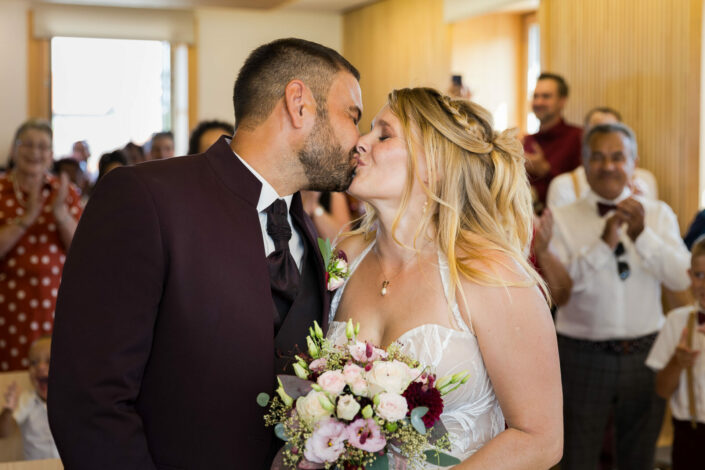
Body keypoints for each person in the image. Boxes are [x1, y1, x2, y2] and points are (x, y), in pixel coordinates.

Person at [48, 38, 362, 469]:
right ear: (299, 104)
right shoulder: (146, 198)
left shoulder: (304, 230)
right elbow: (90, 399)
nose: (359, 141)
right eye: (353, 116)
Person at [328, 88, 563, 468]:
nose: (361, 142)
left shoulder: (489, 276)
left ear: (434, 165)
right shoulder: (348, 254)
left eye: (384, 135)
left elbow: (540, 439)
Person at [546, 122, 691, 469]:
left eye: (617, 157)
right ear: (583, 163)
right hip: (580, 356)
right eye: (597, 157)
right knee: (576, 457)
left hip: (647, 354)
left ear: (633, 162)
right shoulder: (562, 219)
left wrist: (643, 236)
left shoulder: (658, 214)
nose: (608, 166)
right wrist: (601, 247)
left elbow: (679, 274)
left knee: (638, 457)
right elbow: (561, 292)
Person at [0, 119, 82, 372]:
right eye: (28, 145)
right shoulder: (1, 190)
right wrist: (26, 218)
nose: (35, 152)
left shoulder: (65, 192)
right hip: (8, 303)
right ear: (14, 150)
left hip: (56, 303)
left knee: (55, 374)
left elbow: (82, 251)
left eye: (43, 146)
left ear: (51, 155)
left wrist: (61, 215)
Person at [646, 235, 705, 469]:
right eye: (700, 275)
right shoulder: (676, 321)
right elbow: (661, 390)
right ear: (690, 277)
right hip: (689, 435)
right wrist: (677, 363)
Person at [545, 107, 658, 208]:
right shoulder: (563, 185)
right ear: (584, 136)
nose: (608, 167)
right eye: (597, 130)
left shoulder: (645, 181)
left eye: (612, 130)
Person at [523, 73, 582, 209]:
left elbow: (583, 187)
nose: (538, 102)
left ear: (562, 101)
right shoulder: (527, 140)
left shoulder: (577, 137)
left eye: (546, 96)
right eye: (535, 96)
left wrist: (545, 170)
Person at [0, 336, 59, 460]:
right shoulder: (26, 400)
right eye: (33, 362)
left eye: (49, 360)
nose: (40, 367)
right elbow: (4, 433)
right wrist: (8, 409)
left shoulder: (74, 401)